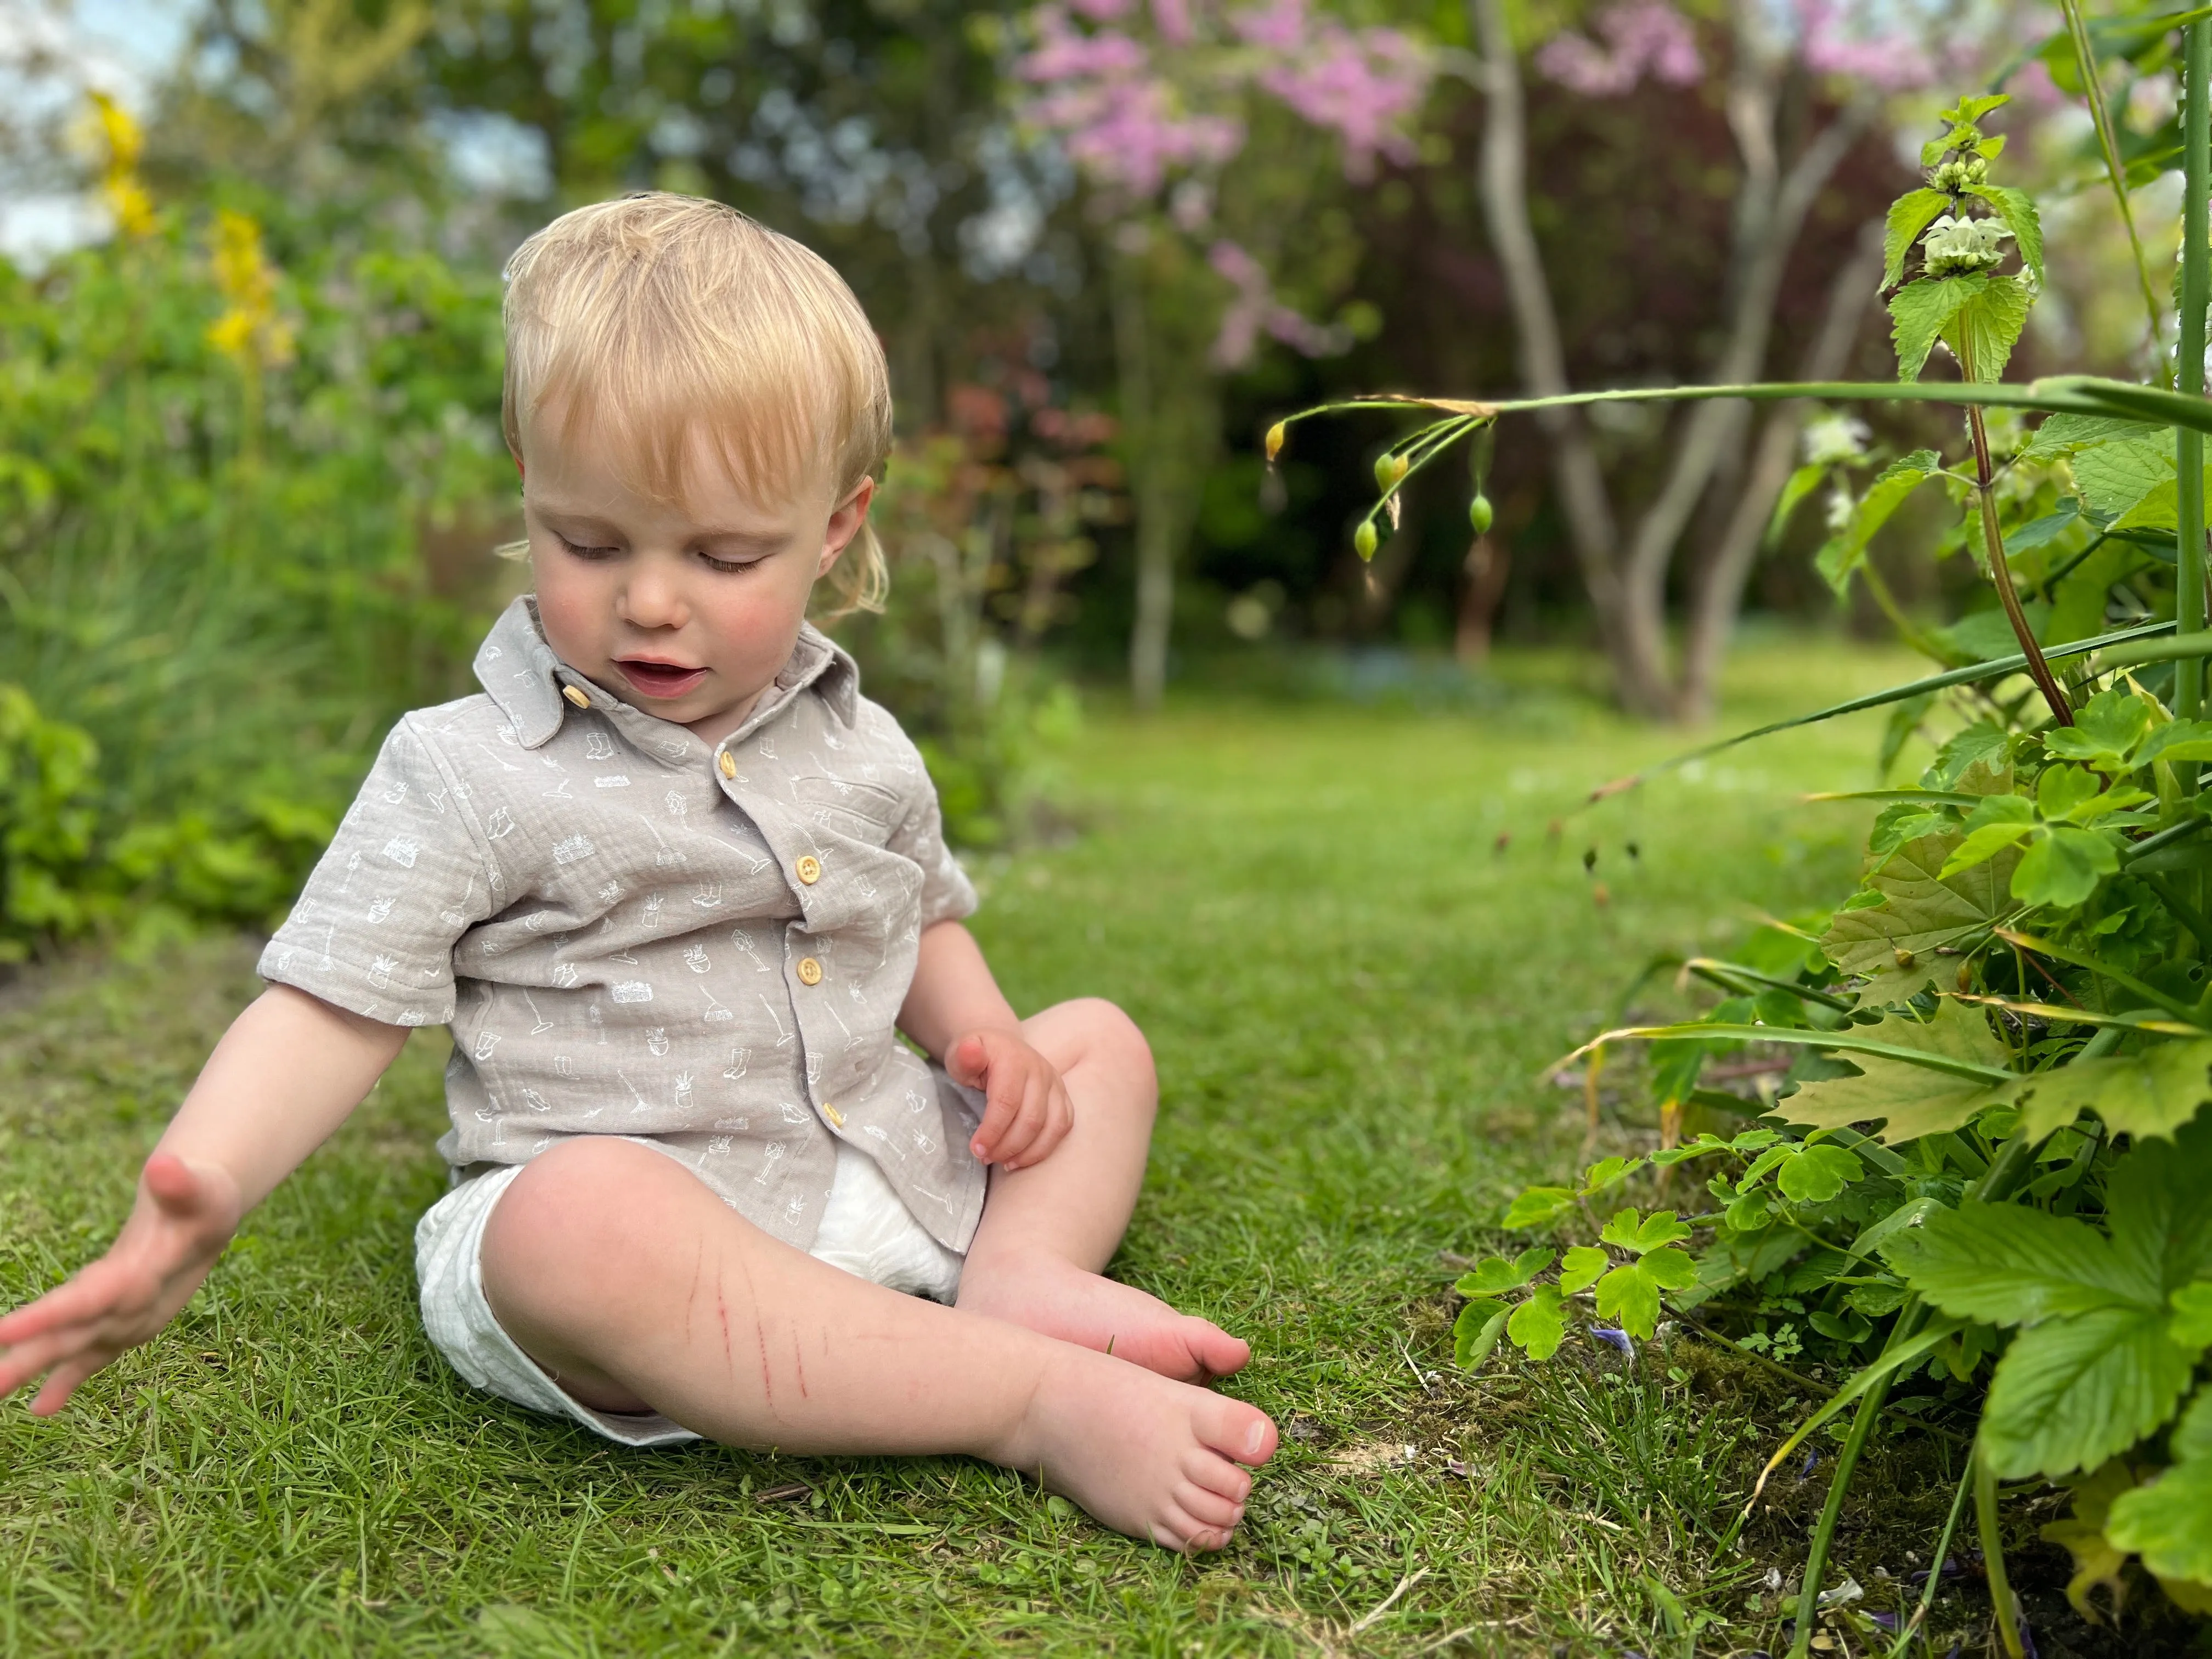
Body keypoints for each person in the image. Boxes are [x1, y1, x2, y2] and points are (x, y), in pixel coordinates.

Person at [0, 194, 1275, 1552]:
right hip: (638, 1261)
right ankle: (1022, 1399)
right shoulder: (468, 769)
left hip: (869, 1172)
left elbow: (919, 915)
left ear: (836, 526)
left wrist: (991, 1042)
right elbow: (331, 1004)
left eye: (725, 556)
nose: (651, 601)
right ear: (529, 487)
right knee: (581, 1222)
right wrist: (192, 1192)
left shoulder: (864, 743)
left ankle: (1018, 1278)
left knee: (1099, 1048)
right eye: (590, 543)